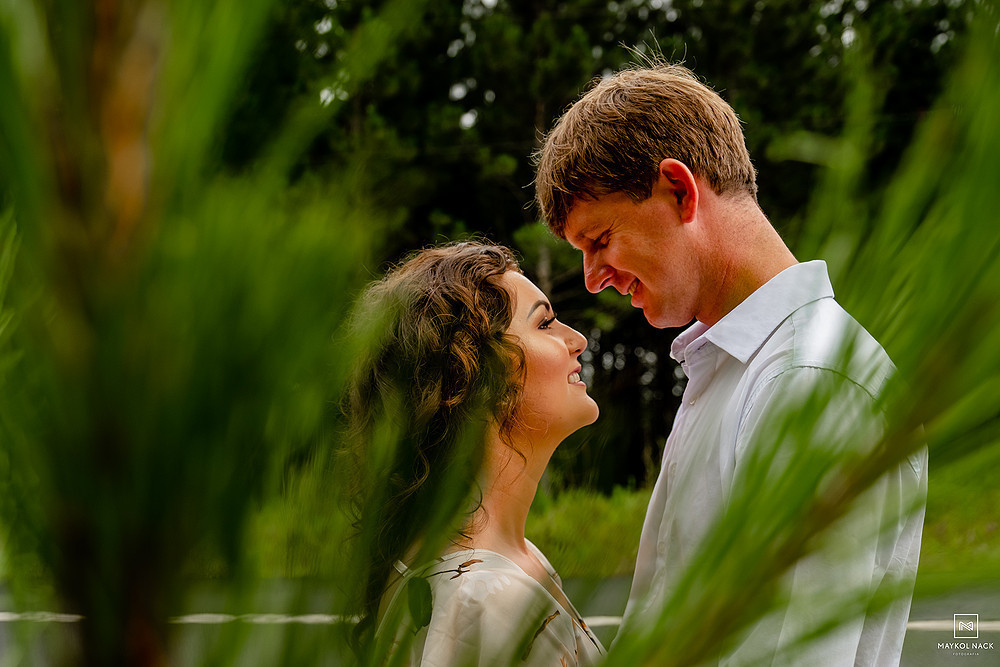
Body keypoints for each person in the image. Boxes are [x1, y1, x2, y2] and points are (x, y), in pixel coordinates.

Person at [534, 64, 927, 665]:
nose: (592, 278)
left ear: (680, 191)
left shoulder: (809, 380)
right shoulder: (738, 367)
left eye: (601, 239)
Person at [344, 241, 606, 666]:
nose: (575, 339)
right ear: (477, 377)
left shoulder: (504, 560)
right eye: (545, 324)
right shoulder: (485, 595)